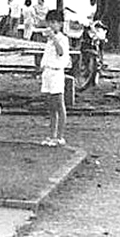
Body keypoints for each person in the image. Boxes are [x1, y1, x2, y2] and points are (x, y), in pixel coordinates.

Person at [40, 10, 69, 146]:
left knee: (59, 104)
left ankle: (60, 136)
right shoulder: (49, 40)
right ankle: (51, 135)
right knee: (51, 106)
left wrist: (54, 38)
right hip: (48, 72)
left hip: (57, 72)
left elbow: (61, 52)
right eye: (49, 22)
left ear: (60, 24)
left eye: (53, 22)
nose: (51, 25)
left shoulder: (62, 38)